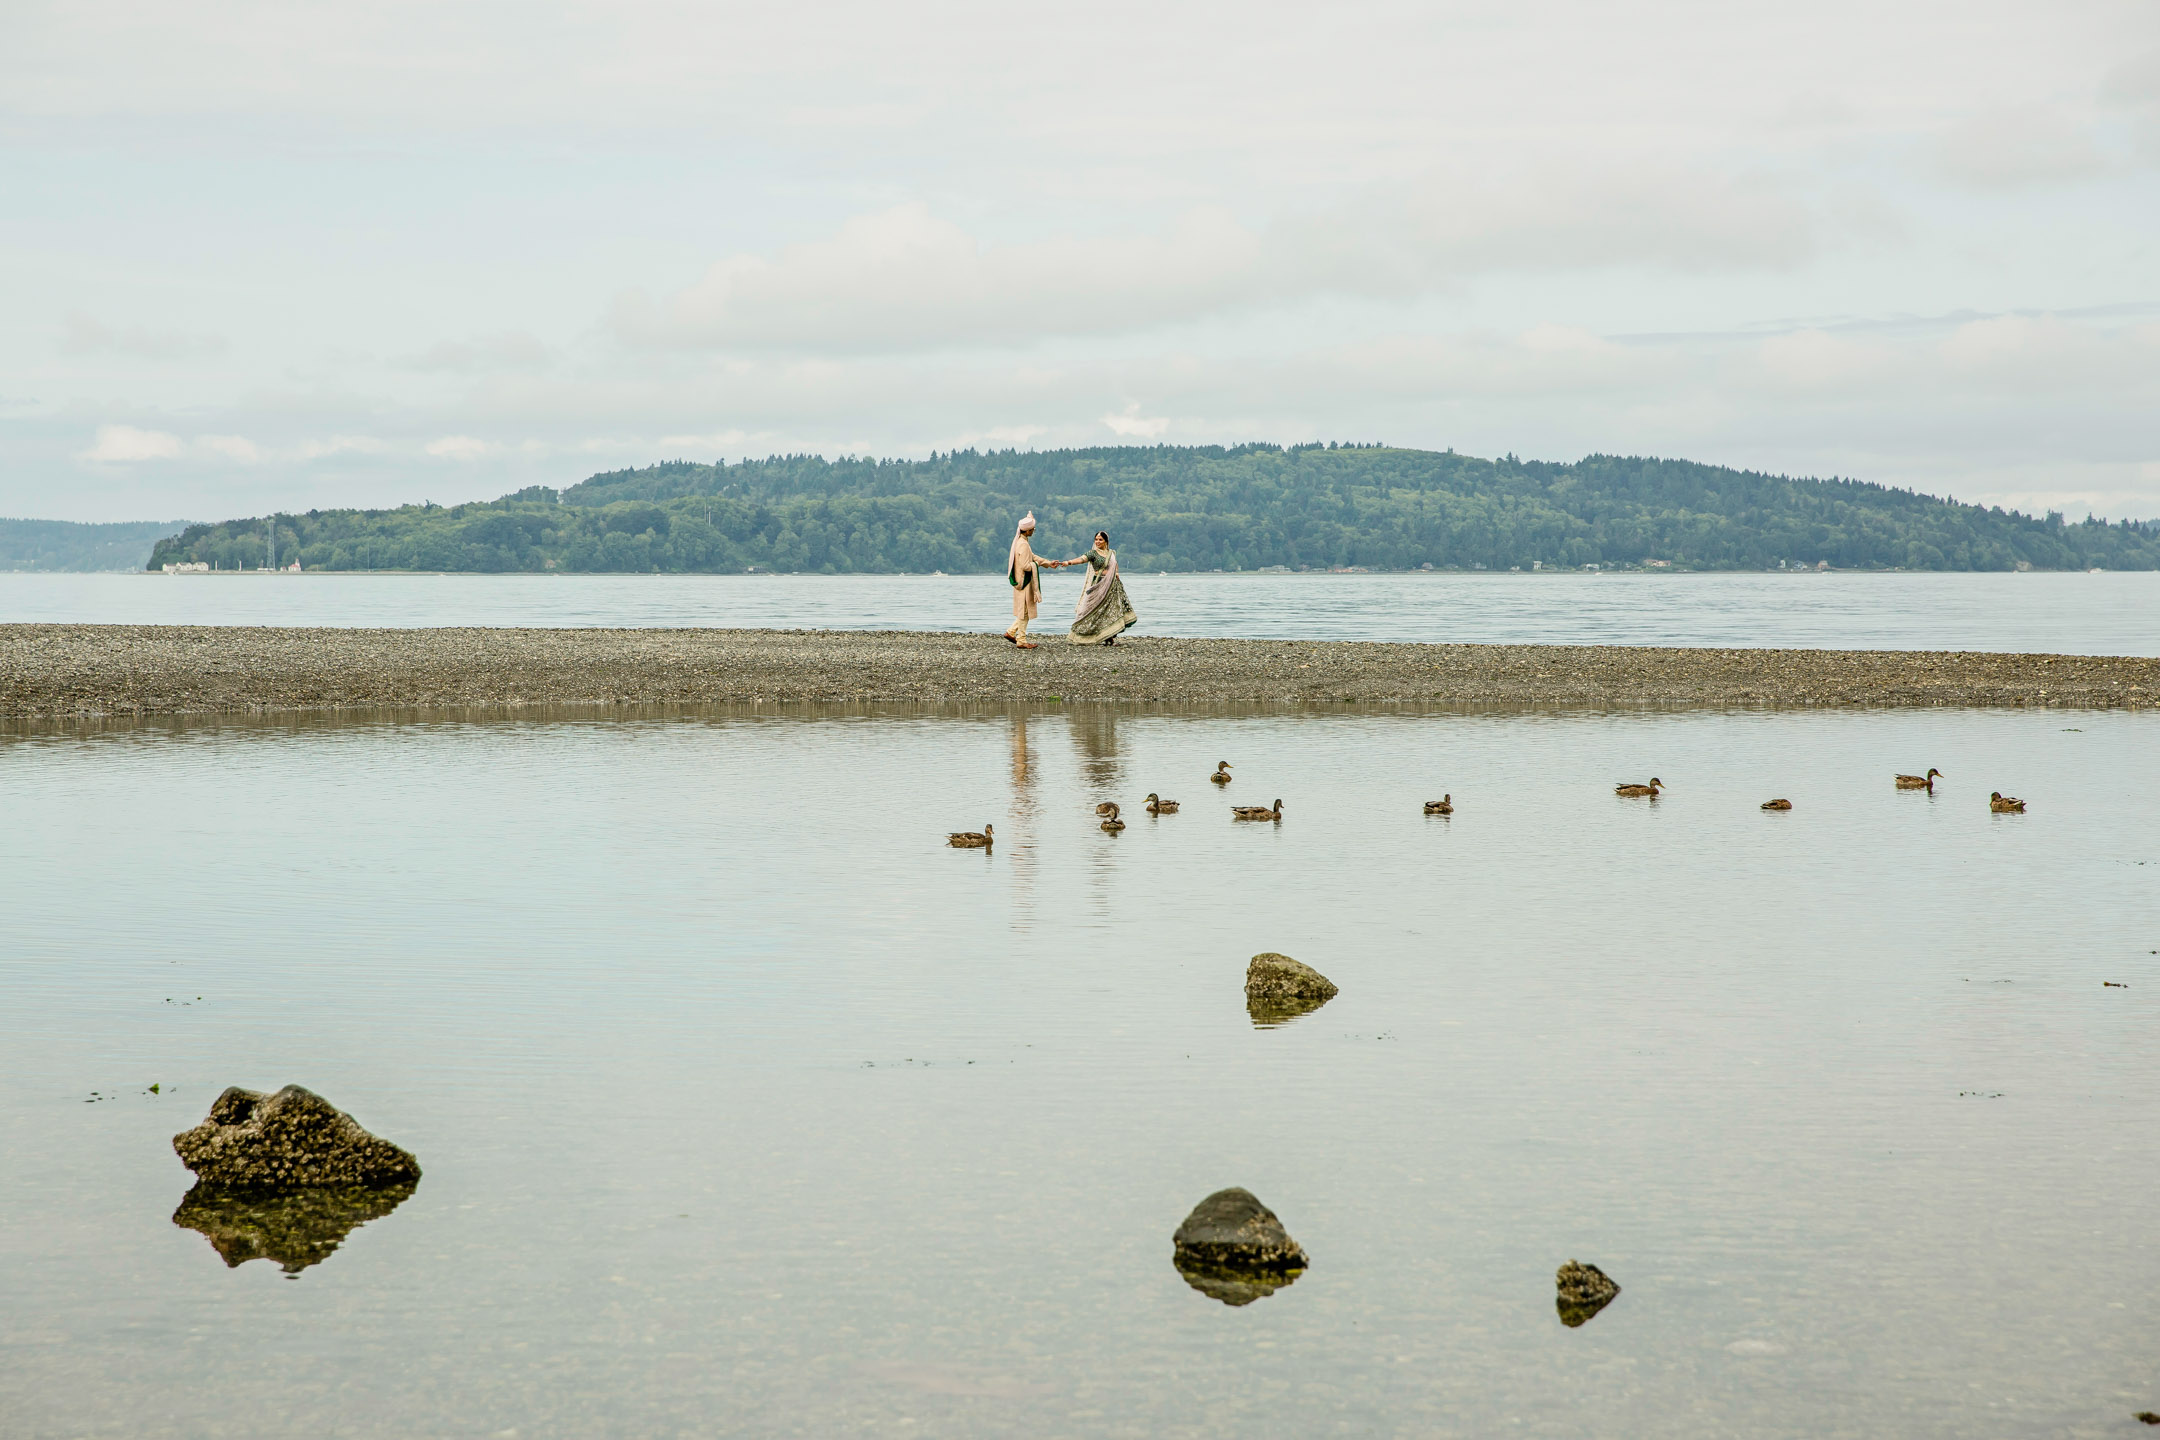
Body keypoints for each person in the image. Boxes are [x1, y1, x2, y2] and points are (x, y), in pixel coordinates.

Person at [1062, 530, 1138, 645]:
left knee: (1111, 611)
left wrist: (1116, 573)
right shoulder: (1093, 553)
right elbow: (1082, 559)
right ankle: (1081, 636)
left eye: (1100, 539)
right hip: (1099, 584)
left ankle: (1109, 637)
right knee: (1092, 610)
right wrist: (1069, 562)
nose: (1098, 542)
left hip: (1112, 586)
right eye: (1096, 539)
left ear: (1106, 541)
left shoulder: (1111, 553)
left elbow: (1115, 565)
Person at [1004, 511, 1052, 647]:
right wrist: (1036, 565)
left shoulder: (1020, 541)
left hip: (1019, 581)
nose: (1034, 531)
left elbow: (1033, 556)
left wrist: (1047, 563)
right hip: (1024, 581)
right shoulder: (1023, 544)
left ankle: (1011, 632)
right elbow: (1026, 565)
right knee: (1024, 611)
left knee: (1023, 610)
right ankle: (1022, 640)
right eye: (1033, 529)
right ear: (1027, 531)